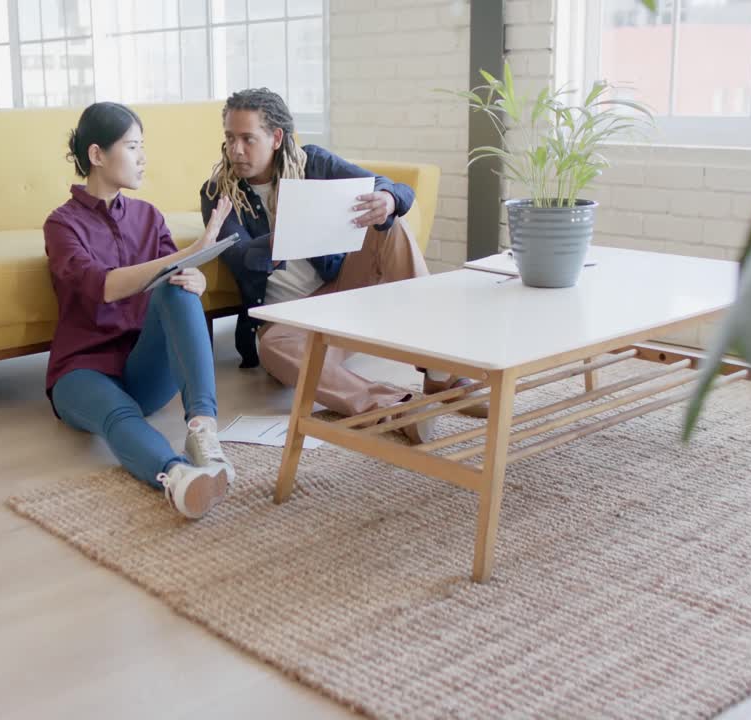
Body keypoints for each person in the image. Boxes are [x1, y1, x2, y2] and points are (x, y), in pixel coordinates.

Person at [200, 89, 487, 443]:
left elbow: (390, 186)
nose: (236, 150)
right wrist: (286, 235)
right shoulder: (217, 191)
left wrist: (387, 199)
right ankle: (397, 408)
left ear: (276, 138)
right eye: (230, 138)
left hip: (340, 295)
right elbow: (238, 256)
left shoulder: (314, 164)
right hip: (287, 321)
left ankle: (441, 370)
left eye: (247, 138)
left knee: (391, 225)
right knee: (273, 349)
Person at [45, 102, 237, 519]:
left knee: (180, 287)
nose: (143, 158)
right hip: (82, 371)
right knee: (118, 414)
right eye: (132, 147)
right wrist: (191, 252)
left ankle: (203, 431)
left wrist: (194, 277)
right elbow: (103, 286)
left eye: (142, 147)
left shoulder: (148, 216)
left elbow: (174, 282)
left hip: (142, 369)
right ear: (97, 155)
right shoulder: (62, 225)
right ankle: (178, 478)